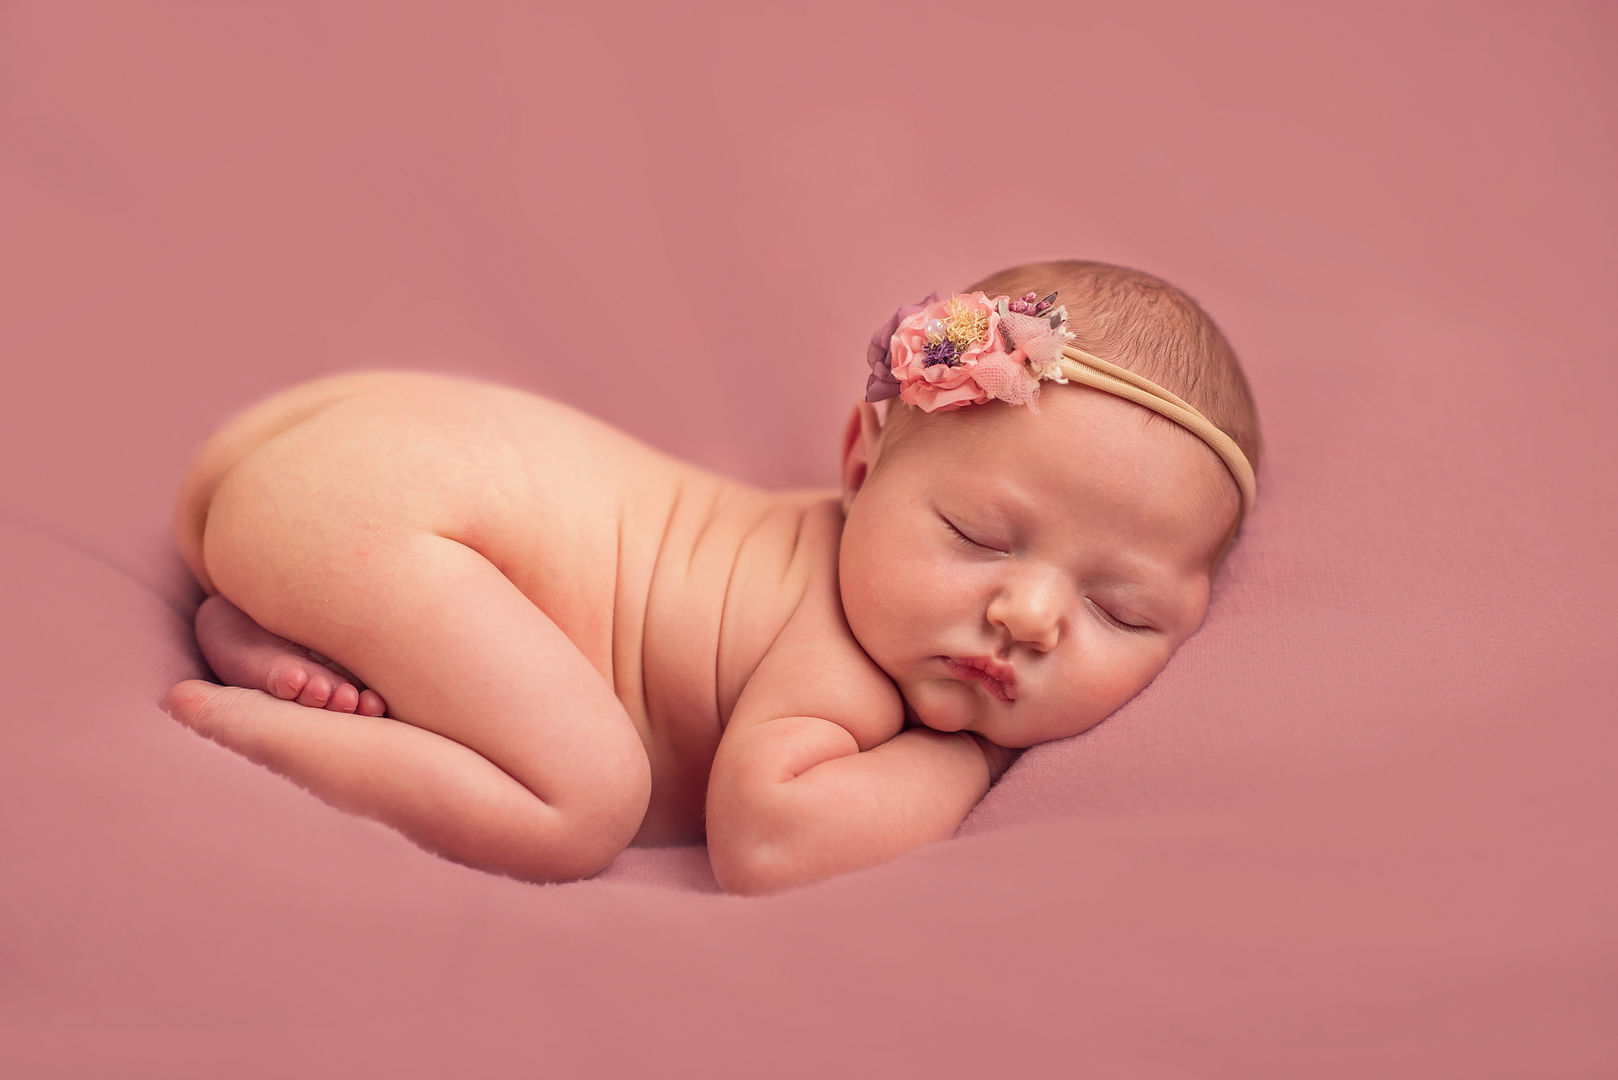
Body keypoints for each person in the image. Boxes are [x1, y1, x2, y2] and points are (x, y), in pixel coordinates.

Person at [160, 258, 1263, 896]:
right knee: (580, 802)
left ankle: (294, 632)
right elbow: (770, 843)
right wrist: (970, 757)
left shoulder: (883, 595)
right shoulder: (837, 649)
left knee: (529, 694)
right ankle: (249, 726)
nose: (1027, 616)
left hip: (325, 479)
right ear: (858, 466)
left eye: (1118, 610)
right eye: (978, 536)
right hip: (389, 500)